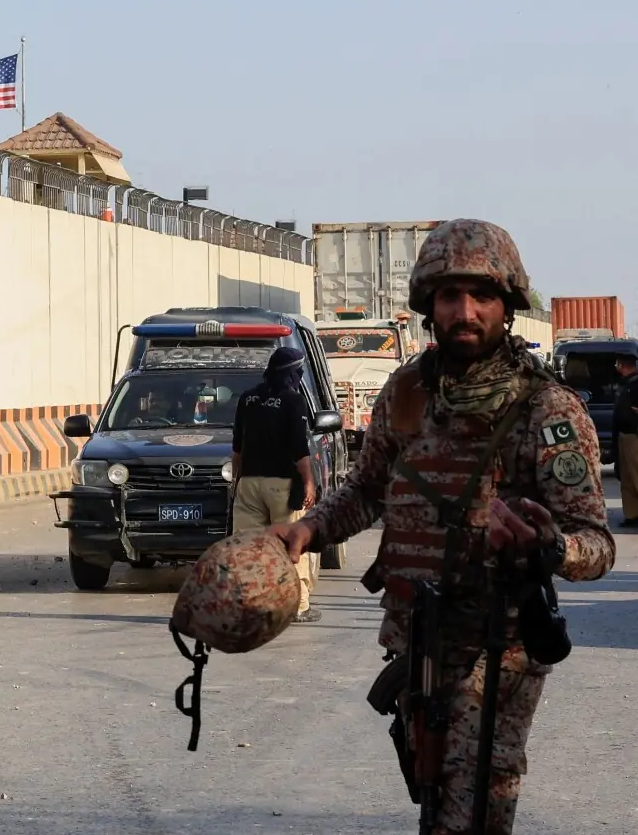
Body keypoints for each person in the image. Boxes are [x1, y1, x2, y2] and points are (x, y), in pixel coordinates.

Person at [271, 219, 614, 834]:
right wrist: (311, 530)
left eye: (481, 296)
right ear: (428, 304)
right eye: (450, 296)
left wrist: (550, 545)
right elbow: (368, 490)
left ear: (506, 307)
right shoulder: (405, 394)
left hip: (497, 643)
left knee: (473, 798)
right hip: (416, 635)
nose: (465, 311)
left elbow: (597, 543)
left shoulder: (546, 409)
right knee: (434, 788)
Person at [231, 347, 320, 623]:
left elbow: (237, 449)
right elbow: (299, 449)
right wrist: (308, 482)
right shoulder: (293, 401)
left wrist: (236, 482)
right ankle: (299, 605)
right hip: (283, 486)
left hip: (249, 484)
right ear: (293, 373)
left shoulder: (248, 398)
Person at [614, 354, 638, 527]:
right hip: (623, 435)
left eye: (617, 364)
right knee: (627, 479)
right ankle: (631, 515)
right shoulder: (625, 384)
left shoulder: (636, 384)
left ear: (622, 365)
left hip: (634, 436)